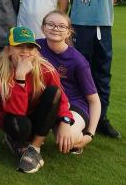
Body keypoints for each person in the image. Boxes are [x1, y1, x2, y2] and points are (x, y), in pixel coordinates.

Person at [64, 0, 124, 139]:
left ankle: (102, 118)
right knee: (79, 70)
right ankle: (80, 115)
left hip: (104, 24)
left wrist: (103, 11)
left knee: (102, 72)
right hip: (80, 24)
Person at [0, 26, 73, 174]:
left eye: (30, 47)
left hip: (37, 116)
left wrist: (65, 121)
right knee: (21, 125)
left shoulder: (46, 69)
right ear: (8, 50)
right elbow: (16, 111)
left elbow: (61, 98)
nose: (25, 51)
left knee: (54, 92)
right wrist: (20, 77)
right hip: (13, 119)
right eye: (19, 46)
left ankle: (34, 147)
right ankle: (15, 140)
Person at [38, 10, 100, 154]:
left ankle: (74, 131)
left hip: (74, 104)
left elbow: (94, 100)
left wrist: (90, 134)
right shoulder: (35, 47)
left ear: (68, 32)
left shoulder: (78, 61)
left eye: (61, 26)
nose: (55, 28)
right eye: (51, 24)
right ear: (43, 28)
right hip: (48, 101)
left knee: (67, 140)